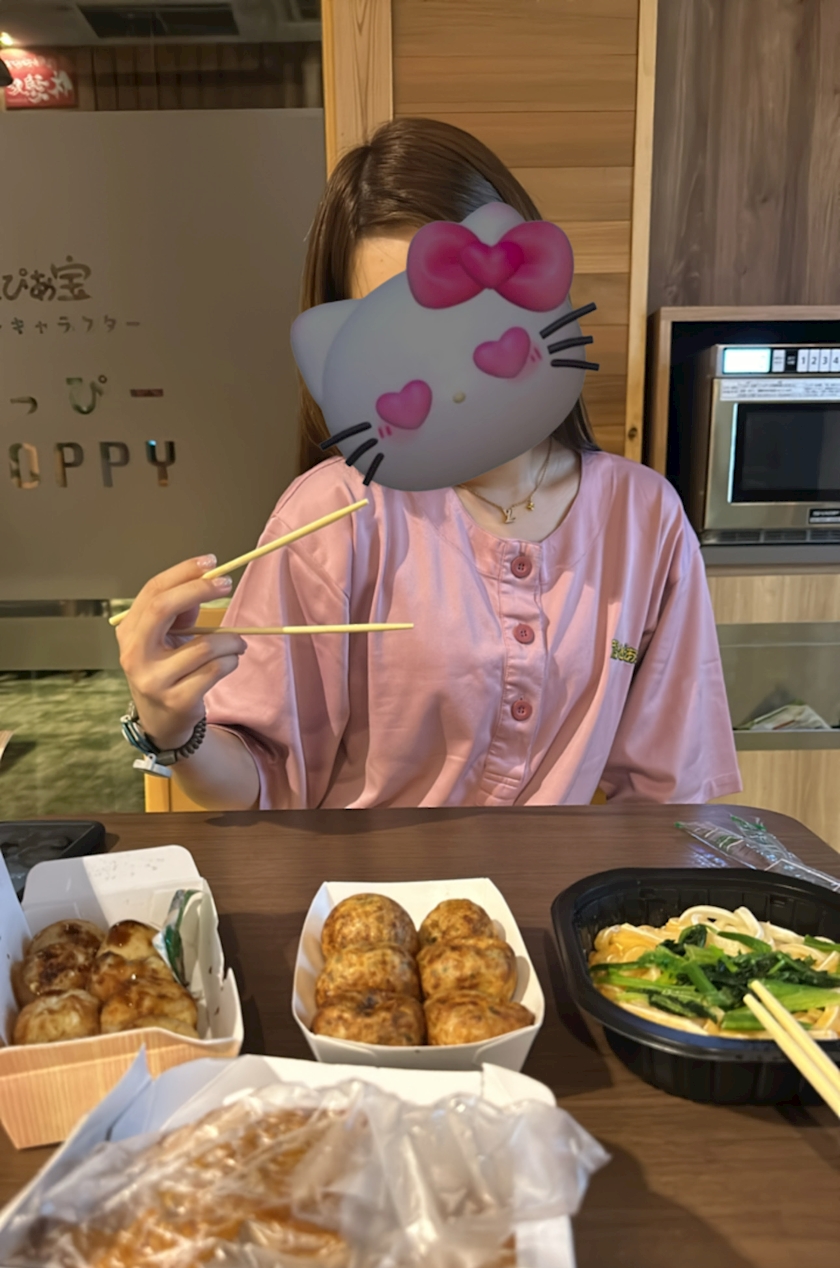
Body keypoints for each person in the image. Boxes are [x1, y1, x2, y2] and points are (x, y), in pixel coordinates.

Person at [117, 117, 741, 811]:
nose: (447, 368)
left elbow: (671, 791)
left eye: (469, 315)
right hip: (368, 881)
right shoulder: (334, 515)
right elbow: (262, 785)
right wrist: (176, 729)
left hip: (562, 886)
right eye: (395, 340)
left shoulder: (643, 519)